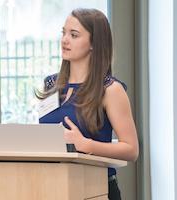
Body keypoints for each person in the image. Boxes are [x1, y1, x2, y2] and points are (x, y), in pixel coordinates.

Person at [36, 8, 139, 200]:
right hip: (52, 186)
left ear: (94, 43)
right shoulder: (51, 84)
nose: (65, 40)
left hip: (96, 189)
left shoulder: (110, 89)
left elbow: (131, 150)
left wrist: (85, 144)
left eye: (74, 35)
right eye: (63, 33)